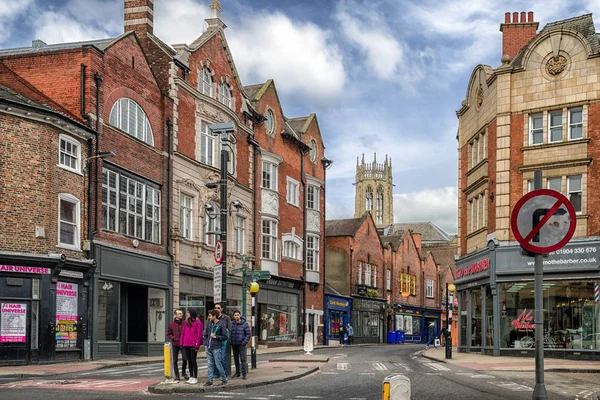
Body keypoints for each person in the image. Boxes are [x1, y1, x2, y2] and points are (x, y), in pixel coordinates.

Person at [203, 309, 228, 386]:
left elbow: (225, 337)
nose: (209, 317)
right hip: (209, 347)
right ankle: (210, 381)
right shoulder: (209, 324)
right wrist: (205, 344)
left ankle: (224, 379)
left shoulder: (221, 325)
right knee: (210, 364)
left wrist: (216, 336)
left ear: (214, 316)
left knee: (218, 364)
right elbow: (206, 334)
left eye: (210, 316)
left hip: (216, 347)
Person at [180, 308, 203, 385]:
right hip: (186, 344)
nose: (187, 313)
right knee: (189, 361)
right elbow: (183, 333)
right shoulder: (186, 322)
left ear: (192, 313)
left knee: (193, 361)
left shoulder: (198, 322)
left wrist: (197, 345)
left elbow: (199, 335)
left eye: (188, 312)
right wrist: (181, 343)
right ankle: (191, 376)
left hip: (193, 344)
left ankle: (195, 377)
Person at [167, 309, 188, 382]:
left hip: (183, 344)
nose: (181, 315)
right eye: (179, 313)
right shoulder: (171, 324)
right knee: (175, 360)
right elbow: (169, 334)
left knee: (185, 359)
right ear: (175, 315)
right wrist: (173, 338)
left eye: (181, 313)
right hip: (175, 344)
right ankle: (177, 376)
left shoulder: (185, 323)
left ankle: (183, 372)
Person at [230, 310, 250, 380]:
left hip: (241, 344)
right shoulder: (232, 323)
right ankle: (237, 372)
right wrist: (230, 341)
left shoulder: (244, 324)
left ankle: (244, 374)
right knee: (236, 359)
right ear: (233, 316)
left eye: (238, 315)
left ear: (240, 315)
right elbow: (230, 333)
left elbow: (248, 334)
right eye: (235, 315)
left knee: (243, 359)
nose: (237, 316)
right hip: (234, 344)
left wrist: (244, 342)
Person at [214, 303, 231, 377]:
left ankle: (224, 374)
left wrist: (226, 338)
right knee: (215, 359)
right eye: (215, 308)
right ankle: (217, 373)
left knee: (222, 358)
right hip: (215, 341)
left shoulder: (226, 318)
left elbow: (229, 329)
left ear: (221, 309)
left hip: (223, 341)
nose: (217, 309)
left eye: (218, 308)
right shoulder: (212, 317)